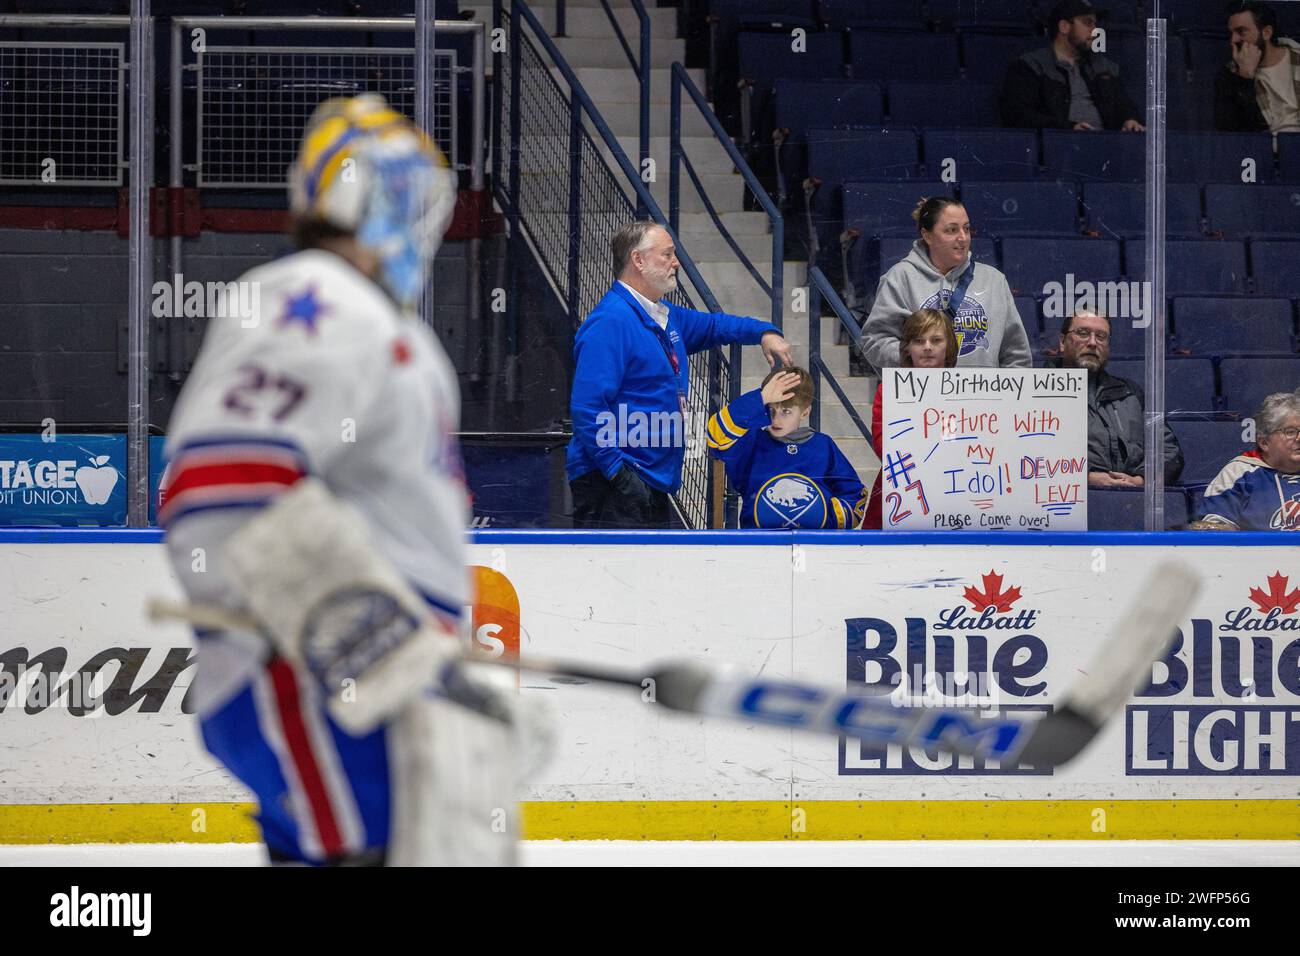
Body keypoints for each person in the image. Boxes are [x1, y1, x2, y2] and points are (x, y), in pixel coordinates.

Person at [160, 95, 527, 865]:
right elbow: (221, 484)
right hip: (324, 679)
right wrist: (364, 642)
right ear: (356, 198)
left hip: (370, 674)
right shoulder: (316, 298)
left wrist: (413, 650)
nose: (423, 223)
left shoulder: (385, 324)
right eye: (406, 196)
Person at [567, 221, 793, 528]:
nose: (676, 262)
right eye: (667, 254)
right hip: (615, 481)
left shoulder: (663, 316)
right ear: (638, 260)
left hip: (647, 477)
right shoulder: (610, 322)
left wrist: (764, 332)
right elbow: (588, 408)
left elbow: (716, 326)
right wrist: (617, 472)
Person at [860, 197, 1032, 374]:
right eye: (951, 230)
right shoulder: (900, 278)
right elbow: (874, 341)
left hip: (984, 397)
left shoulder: (994, 281)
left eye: (966, 228)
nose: (963, 238)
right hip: (921, 397)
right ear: (927, 235)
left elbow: (1016, 355)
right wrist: (913, 358)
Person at [706, 366, 865, 529]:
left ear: (805, 412)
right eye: (771, 410)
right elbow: (715, 435)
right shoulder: (751, 442)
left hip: (814, 547)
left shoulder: (823, 446)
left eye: (786, 412)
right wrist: (760, 398)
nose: (776, 419)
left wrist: (823, 518)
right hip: (758, 546)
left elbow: (854, 496)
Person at [1045, 309, 1184, 487]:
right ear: (1062, 342)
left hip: (1131, 500)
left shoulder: (1130, 393)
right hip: (1064, 502)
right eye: (1083, 333)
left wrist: (1141, 480)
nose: (1093, 342)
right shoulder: (1035, 391)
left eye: (1101, 336)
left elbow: (1169, 451)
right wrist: (1085, 479)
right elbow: (1025, 456)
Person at [863, 309, 958, 530]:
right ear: (907, 347)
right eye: (918, 340)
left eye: (936, 340)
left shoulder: (965, 391)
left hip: (953, 489)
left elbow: (961, 447)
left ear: (949, 345)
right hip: (899, 490)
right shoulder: (888, 390)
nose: (927, 347)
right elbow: (882, 445)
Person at [1000, 0, 1145, 132]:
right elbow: (1018, 115)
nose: (1095, 31)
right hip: (1060, 147)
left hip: (1106, 145)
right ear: (1064, 27)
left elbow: (1125, 106)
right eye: (1088, 23)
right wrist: (1069, 128)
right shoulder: (1030, 66)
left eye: (1095, 24)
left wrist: (1130, 120)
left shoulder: (1103, 67)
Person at [1193, 391, 1300, 530]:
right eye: (1290, 432)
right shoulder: (1240, 473)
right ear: (1264, 442)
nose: (1299, 438)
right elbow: (1213, 533)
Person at [1215, 1, 1300, 135]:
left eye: (1241, 31)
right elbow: (1234, 134)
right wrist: (1245, 78)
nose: (1233, 40)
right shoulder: (1228, 75)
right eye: (1231, 33)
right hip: (1262, 151)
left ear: (1266, 33)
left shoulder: (1296, 59)